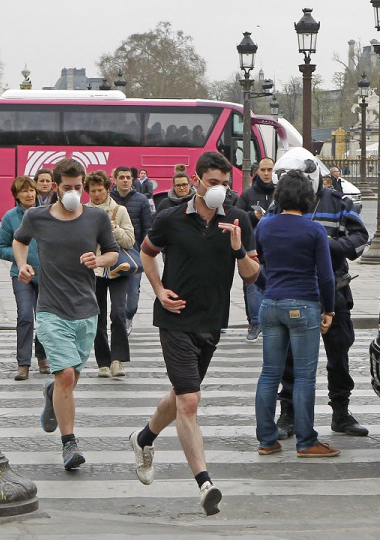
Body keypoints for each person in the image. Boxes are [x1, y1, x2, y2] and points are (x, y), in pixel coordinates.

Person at [129, 151, 259, 516]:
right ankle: (205, 484)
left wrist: (237, 249)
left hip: (212, 320)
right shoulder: (170, 218)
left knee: (182, 393)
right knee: (189, 401)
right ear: (197, 181)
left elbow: (252, 275)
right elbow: (147, 252)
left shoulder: (238, 219)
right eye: (212, 182)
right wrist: (157, 289)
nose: (219, 189)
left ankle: (143, 439)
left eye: (224, 183)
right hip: (174, 319)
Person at [13, 158, 120, 470]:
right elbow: (19, 241)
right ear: (56, 188)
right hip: (50, 309)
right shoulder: (37, 216)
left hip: (87, 311)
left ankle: (52, 393)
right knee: (66, 374)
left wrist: (100, 261)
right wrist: (22, 264)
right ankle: (69, 443)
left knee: (67, 381)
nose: (74, 192)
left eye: (78, 187)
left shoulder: (97, 217)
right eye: (67, 187)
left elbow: (114, 251)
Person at [271, 147, 371, 439]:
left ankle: (341, 412)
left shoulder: (339, 203)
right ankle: (287, 414)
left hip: (335, 291)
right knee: (289, 357)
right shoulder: (281, 205)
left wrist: (326, 244)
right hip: (297, 292)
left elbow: (360, 240)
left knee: (338, 355)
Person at [254, 170, 339, 458]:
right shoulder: (314, 230)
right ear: (307, 197)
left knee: (269, 374)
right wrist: (329, 309)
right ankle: (306, 441)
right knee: (304, 377)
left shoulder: (264, 226)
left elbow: (261, 266)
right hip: (303, 303)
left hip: (270, 304)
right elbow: (326, 277)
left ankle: (267, 439)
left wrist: (270, 291)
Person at [0, 175, 49, 380]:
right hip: (22, 276)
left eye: (32, 190)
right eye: (24, 191)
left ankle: (43, 357)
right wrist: (20, 260)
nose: (29, 194)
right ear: (16, 195)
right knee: (26, 316)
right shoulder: (11, 217)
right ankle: (23, 363)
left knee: (44, 319)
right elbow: (1, 247)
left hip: (46, 275)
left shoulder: (46, 213)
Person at [86, 170, 135, 378]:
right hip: (94, 270)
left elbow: (130, 241)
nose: (97, 194)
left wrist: (113, 229)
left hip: (118, 269)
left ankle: (118, 360)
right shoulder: (84, 212)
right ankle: (103, 362)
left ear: (108, 189)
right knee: (97, 316)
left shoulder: (119, 211)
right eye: (93, 191)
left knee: (118, 313)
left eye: (100, 190)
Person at [235, 156, 276, 342]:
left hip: (275, 248)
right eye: (263, 170)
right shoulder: (248, 194)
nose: (267, 173)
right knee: (252, 287)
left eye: (270, 170)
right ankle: (255, 322)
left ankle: (272, 322)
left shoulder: (280, 193)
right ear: (257, 171)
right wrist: (252, 216)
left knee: (273, 286)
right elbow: (237, 216)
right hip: (253, 248)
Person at [110, 166, 153, 336]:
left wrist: (143, 250)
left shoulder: (141, 200)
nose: (126, 180)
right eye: (122, 177)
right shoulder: (109, 198)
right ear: (115, 179)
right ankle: (118, 322)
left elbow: (147, 227)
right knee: (115, 294)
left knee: (133, 293)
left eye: (128, 177)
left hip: (134, 253)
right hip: (111, 253)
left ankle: (129, 315)